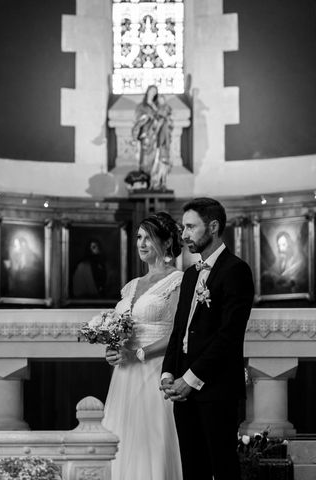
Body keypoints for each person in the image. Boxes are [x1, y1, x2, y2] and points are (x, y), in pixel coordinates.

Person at [160, 197, 254, 480]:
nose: (184, 234)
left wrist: (189, 379)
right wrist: (168, 372)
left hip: (216, 387)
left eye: (190, 227)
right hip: (182, 388)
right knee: (192, 468)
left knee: (223, 467)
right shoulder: (190, 275)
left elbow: (229, 336)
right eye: (182, 228)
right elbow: (179, 330)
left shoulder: (236, 270)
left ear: (213, 227)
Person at [102, 211, 184, 480]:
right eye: (139, 237)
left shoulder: (178, 280)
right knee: (123, 438)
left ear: (167, 241)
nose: (141, 243)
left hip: (156, 369)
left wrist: (139, 352)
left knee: (152, 439)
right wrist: (113, 348)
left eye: (148, 238)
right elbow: (119, 328)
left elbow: (177, 333)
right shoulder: (131, 286)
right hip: (125, 373)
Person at [131, 86, 173, 188]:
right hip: (146, 136)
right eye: (151, 91)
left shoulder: (157, 106)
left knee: (157, 159)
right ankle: (144, 181)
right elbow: (138, 119)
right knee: (145, 160)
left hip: (157, 137)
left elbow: (164, 118)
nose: (153, 93)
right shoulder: (141, 106)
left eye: (155, 92)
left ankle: (155, 183)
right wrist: (147, 117)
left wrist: (161, 119)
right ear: (147, 92)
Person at [261, 230, 307, 294]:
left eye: (283, 245)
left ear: (289, 245)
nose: (280, 249)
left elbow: (301, 282)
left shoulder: (299, 262)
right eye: (279, 245)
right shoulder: (280, 261)